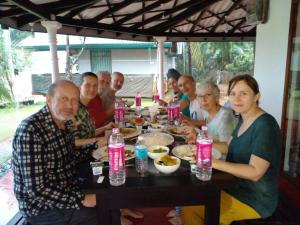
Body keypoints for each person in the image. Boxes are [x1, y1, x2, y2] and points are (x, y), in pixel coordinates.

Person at [182, 75, 281, 225]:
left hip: (255, 197)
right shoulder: (244, 118)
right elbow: (228, 146)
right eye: (233, 94)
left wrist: (212, 162)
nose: (237, 99)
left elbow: (255, 172)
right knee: (191, 198)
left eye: (244, 93)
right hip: (232, 184)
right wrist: (201, 145)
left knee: (193, 206)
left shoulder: (266, 125)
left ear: (256, 96)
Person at [12, 80, 98, 225]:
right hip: (42, 208)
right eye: (64, 99)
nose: (70, 106)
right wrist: (81, 199)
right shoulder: (31, 130)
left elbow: (70, 157)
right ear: (49, 99)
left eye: (74, 101)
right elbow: (37, 190)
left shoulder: (66, 123)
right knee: (101, 211)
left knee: (106, 192)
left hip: (67, 189)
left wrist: (96, 148)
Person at [74, 72, 115, 147]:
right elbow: (73, 142)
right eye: (87, 85)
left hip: (93, 148)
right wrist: (98, 140)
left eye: (95, 86)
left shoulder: (85, 108)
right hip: (83, 155)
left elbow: (87, 134)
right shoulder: (74, 108)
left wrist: (105, 128)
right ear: (79, 87)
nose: (92, 89)